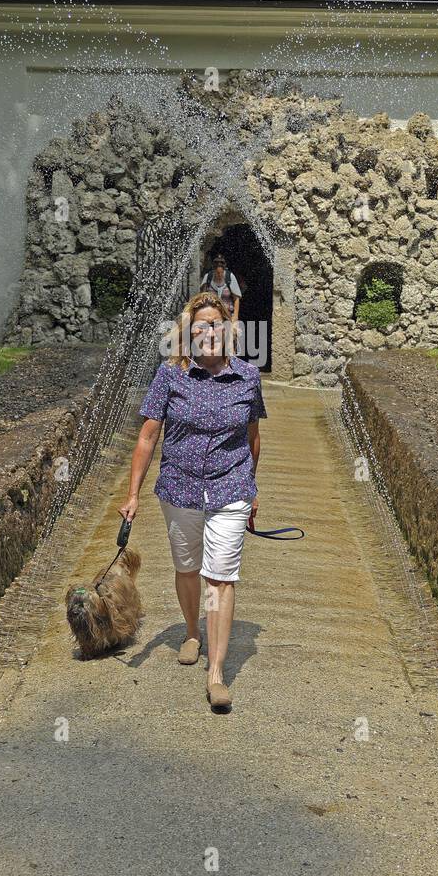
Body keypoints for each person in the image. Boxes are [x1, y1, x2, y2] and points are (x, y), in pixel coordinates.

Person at [119, 290, 267, 711]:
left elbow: (253, 438)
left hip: (231, 488)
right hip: (180, 487)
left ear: (228, 330)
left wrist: (251, 490)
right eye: (199, 326)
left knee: (220, 576)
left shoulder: (247, 377)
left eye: (215, 324)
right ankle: (190, 631)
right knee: (188, 567)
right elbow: (148, 436)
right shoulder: (170, 376)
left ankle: (216, 673)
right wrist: (132, 495)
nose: (208, 332)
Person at [200, 254, 242, 323]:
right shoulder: (208, 277)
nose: (219, 274)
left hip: (227, 315)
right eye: (216, 262)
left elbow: (236, 299)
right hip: (211, 315)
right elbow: (202, 297)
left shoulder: (230, 277)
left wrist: (235, 316)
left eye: (221, 262)